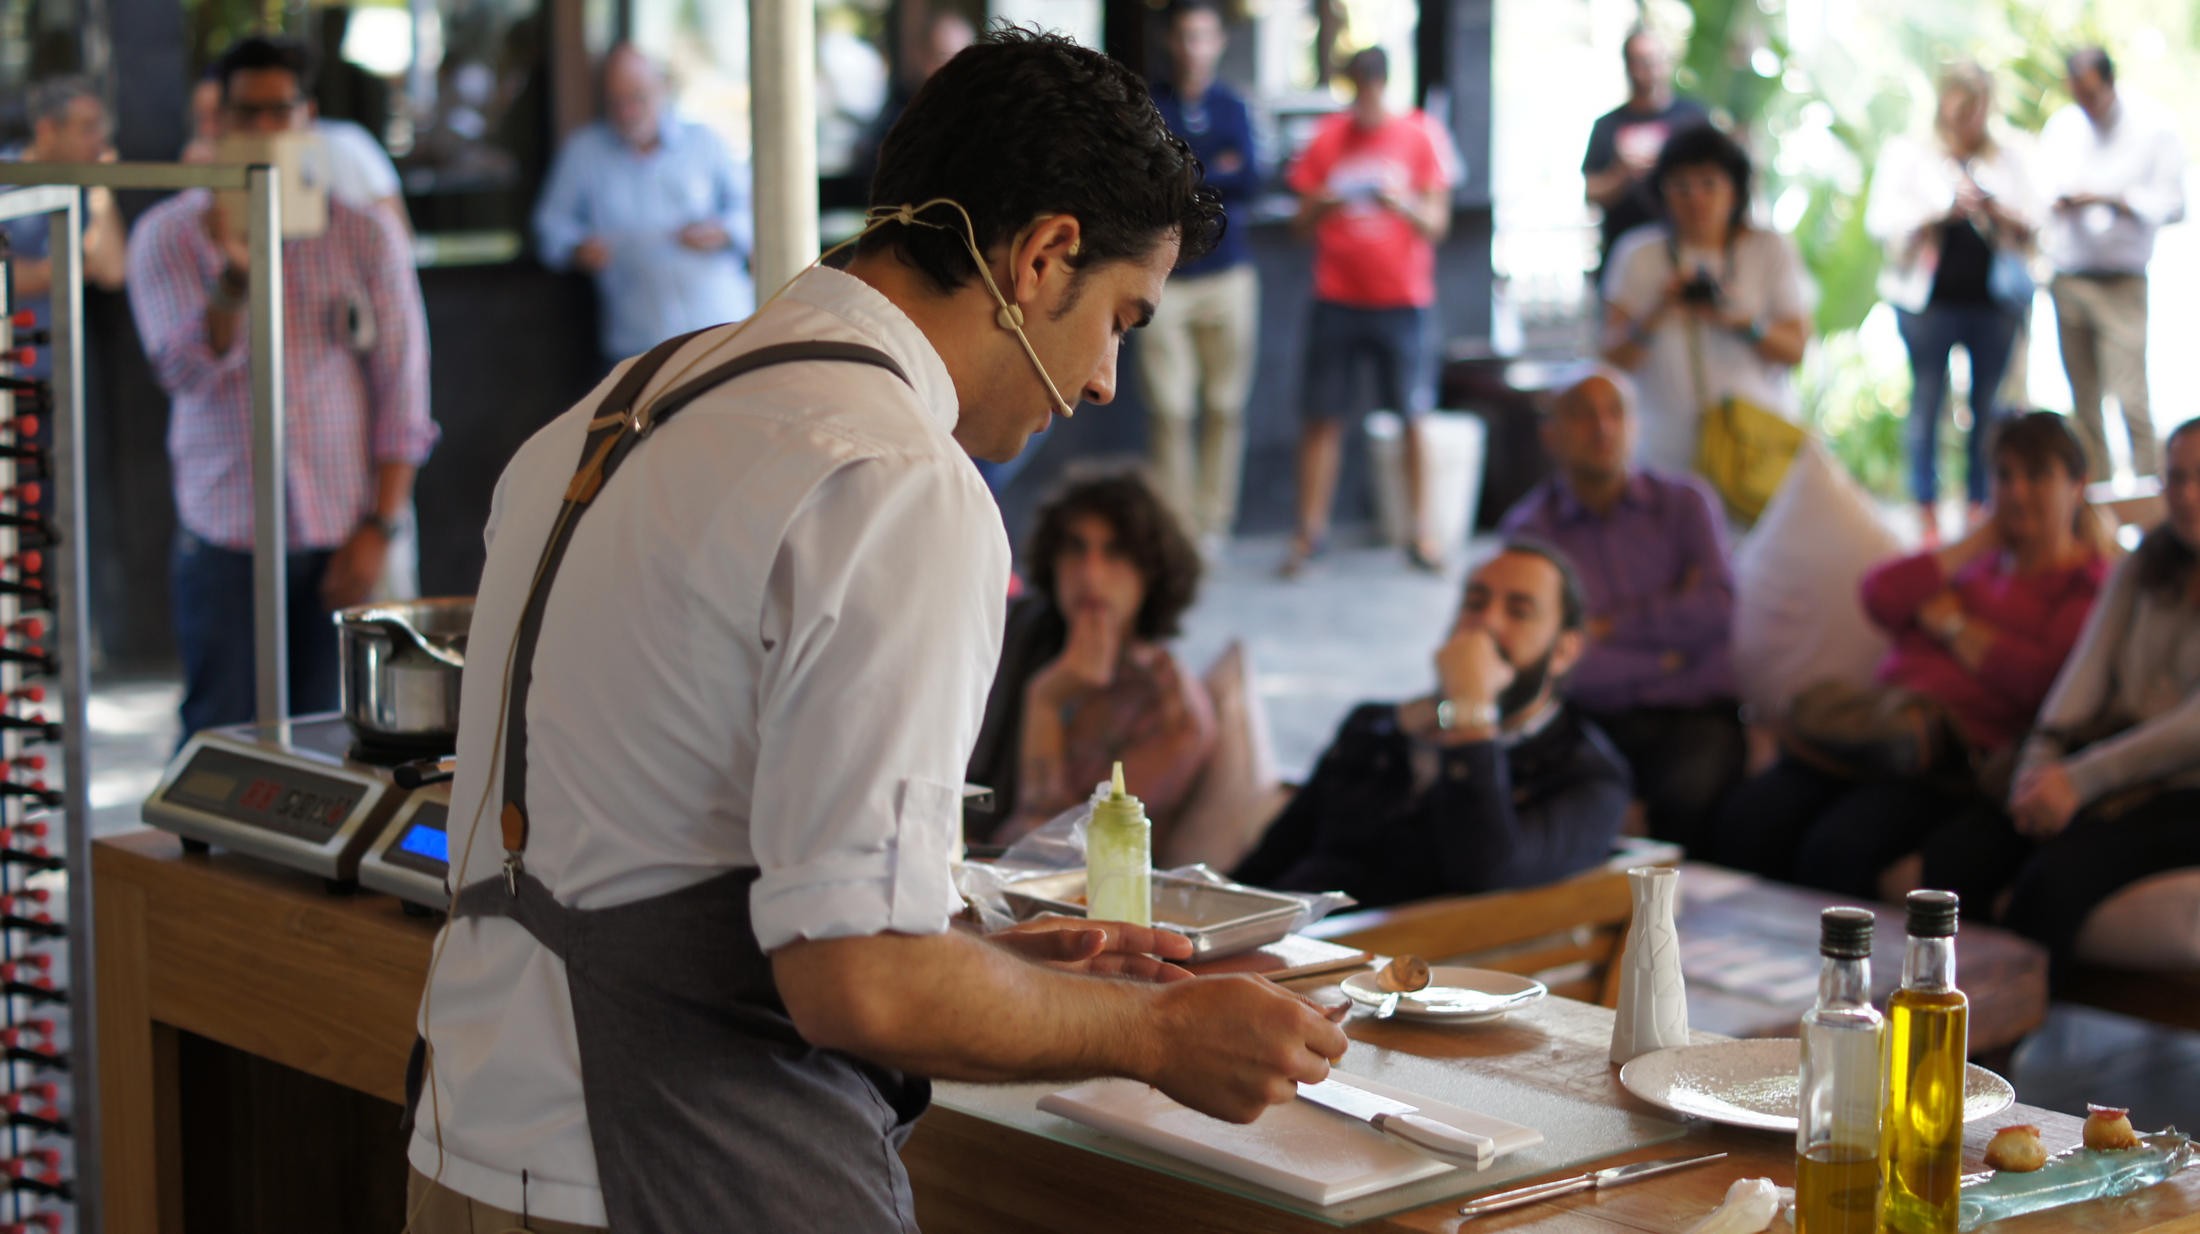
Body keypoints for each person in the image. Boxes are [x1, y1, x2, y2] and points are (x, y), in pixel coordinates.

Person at [406, 30, 1348, 1232]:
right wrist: (1156, 1031)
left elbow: (666, 837)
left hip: (465, 1142)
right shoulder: (898, 478)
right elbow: (858, 979)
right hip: (668, 1172)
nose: (1107, 377)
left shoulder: (611, 407)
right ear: (1044, 257)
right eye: (1123, 315)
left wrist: (989, 965)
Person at [127, 35, 434, 739]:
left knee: (337, 733)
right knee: (220, 732)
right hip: (225, 528)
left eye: (280, 110)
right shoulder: (167, 237)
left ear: (308, 116)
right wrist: (234, 278)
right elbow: (181, 372)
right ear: (219, 122)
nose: (265, 129)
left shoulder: (362, 235)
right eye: (246, 112)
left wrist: (381, 526)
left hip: (341, 524)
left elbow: (402, 387)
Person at [1704, 413, 2107, 898]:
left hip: (1944, 762)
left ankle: (1832, 975)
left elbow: (2042, 680)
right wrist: (1979, 538)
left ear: (2077, 484)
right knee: (1744, 818)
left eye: (2036, 475)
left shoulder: (2087, 585)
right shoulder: (1974, 563)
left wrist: (1955, 627)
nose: (2017, 492)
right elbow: (1881, 594)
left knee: (1834, 848)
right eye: (2004, 475)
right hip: (1873, 733)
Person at [1913, 418, 2200, 957]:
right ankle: (1939, 1020)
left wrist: (2079, 781)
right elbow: (2082, 678)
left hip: (2182, 790)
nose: (2186, 494)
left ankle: (2002, 1031)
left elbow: (2191, 731)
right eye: (2176, 478)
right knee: (1958, 853)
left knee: (2051, 882)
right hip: (2106, 761)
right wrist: (2036, 769)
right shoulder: (2145, 564)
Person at [1232, 541, 1632, 907]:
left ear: (1563, 650)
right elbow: (1268, 865)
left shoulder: (1585, 776)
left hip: (1398, 967)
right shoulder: (1377, 727)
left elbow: (1485, 874)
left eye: (1519, 611)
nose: (1485, 624)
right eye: (1474, 604)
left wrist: (1471, 716)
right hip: (1289, 941)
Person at [1499, 366, 1741, 848]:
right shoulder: (1531, 531)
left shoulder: (1686, 504)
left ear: (1636, 425)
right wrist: (1665, 654)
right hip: (1587, 716)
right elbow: (1548, 660)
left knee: (1690, 800)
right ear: (1551, 435)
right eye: (1583, 416)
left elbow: (1718, 610)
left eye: (1616, 413)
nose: (1602, 428)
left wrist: (1609, 627)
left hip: (1691, 714)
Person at [966, 468, 1216, 844]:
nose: (1090, 574)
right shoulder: (1019, 635)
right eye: (1075, 549)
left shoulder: (1171, 713)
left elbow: (1051, 851)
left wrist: (1047, 701)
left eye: (1115, 554)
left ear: (1152, 571)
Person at [1282, 46, 1458, 576]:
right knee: (1322, 418)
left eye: (1371, 90)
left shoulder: (1420, 133)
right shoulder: (1328, 137)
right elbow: (1299, 225)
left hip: (1403, 300)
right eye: (1356, 91)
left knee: (1412, 416)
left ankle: (1421, 532)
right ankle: (1310, 533)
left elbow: (1438, 225)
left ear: (1385, 86)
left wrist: (1398, 203)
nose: (1364, 102)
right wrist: (1327, 204)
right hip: (1336, 295)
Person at [1865, 62, 2041, 542]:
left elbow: (2037, 220)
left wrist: (1993, 208)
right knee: (1927, 401)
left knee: (1989, 408)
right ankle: (1925, 507)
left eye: (1979, 106)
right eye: (1963, 105)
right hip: (1927, 303)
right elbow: (1882, 222)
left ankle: (1981, 506)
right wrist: (1941, 212)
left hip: (1994, 303)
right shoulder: (1910, 154)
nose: (1970, 117)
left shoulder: (2011, 156)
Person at [1600, 123, 1811, 482]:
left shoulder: (1768, 248)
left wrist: (1745, 323)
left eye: (1708, 184)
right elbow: (1613, 360)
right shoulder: (1638, 255)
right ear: (1662, 192)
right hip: (1664, 454)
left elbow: (1795, 350)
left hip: (1754, 452)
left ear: (1734, 190)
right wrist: (1657, 311)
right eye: (1681, 186)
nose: (1695, 198)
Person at [533, 43, 755, 370]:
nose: (627, 111)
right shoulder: (585, 152)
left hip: (723, 330)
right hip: (637, 346)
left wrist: (722, 232)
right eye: (616, 102)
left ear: (661, 88)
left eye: (637, 97)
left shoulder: (704, 142)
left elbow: (754, 215)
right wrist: (578, 248)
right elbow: (549, 228)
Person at [1141, 0, 1261, 553]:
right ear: (1173, 41)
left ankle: (1213, 523)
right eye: (1186, 36)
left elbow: (1252, 176)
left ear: (1219, 43)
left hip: (1228, 275)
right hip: (1165, 279)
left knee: (1225, 405)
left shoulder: (1233, 106)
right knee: (1171, 409)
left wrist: (1188, 171)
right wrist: (1216, 170)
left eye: (1204, 37)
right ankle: (1176, 526)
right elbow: (1150, 182)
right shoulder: (1152, 105)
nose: (1195, 47)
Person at [2039, 46, 2187, 483]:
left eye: (2092, 94)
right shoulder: (2062, 128)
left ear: (2109, 83)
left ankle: (2149, 506)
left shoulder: (2153, 126)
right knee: (2084, 406)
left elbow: (2174, 204)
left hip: (2122, 281)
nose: (2086, 104)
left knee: (2131, 400)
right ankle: (2097, 510)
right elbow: (2039, 193)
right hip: (2069, 276)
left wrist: (2110, 198)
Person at [2, 76, 130, 382]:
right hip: (10, 377)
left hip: (64, 379)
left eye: (100, 128)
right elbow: (6, 279)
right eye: (87, 129)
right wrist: (73, 269)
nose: (99, 141)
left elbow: (113, 270)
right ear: (47, 130)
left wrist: (101, 189)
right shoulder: (5, 177)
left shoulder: (84, 187)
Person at [1580, 27, 1708, 289]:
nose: (1647, 69)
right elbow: (1591, 192)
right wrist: (1620, 172)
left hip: (1686, 258)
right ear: (1627, 66)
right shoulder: (1607, 126)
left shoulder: (1693, 118)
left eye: (1653, 59)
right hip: (1622, 261)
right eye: (1639, 61)